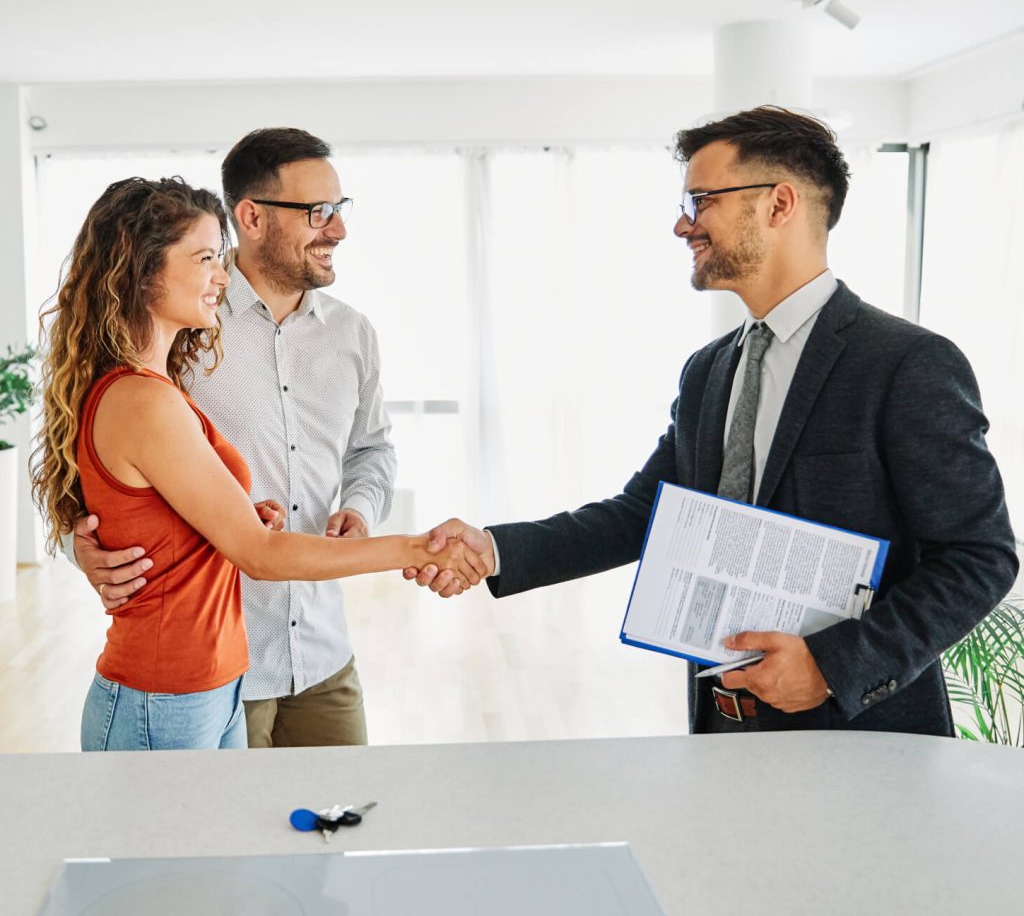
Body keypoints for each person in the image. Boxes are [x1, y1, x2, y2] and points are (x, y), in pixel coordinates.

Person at [407, 105, 1018, 736]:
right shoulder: (709, 370)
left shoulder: (908, 363)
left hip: (861, 728)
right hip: (723, 719)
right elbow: (648, 512)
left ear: (779, 204)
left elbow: (980, 556)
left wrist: (833, 666)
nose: (682, 224)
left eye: (701, 200)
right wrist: (497, 548)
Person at [31, 176, 482, 751]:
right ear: (142, 271)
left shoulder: (161, 386)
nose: (220, 274)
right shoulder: (144, 399)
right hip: (166, 695)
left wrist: (238, 512)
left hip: (219, 679)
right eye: (203, 258)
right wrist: (416, 549)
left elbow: (178, 515)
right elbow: (259, 555)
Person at [68, 128, 398, 749]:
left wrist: (361, 507)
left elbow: (372, 449)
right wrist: (80, 544)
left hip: (322, 654)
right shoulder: (182, 329)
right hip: (217, 672)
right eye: (318, 212)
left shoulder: (353, 335)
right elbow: (83, 457)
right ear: (251, 216)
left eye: (340, 210)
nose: (337, 230)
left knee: (331, 838)